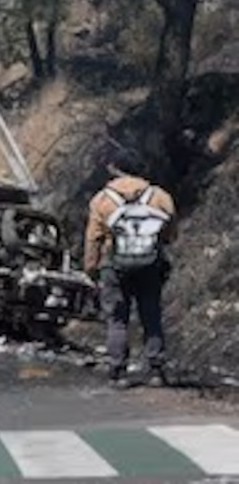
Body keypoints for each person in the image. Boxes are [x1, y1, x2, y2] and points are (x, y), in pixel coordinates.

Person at [83, 151, 177, 389]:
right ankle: (156, 369)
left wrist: (91, 267)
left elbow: (93, 237)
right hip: (150, 264)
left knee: (117, 318)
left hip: (114, 266)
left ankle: (118, 371)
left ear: (115, 169)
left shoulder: (102, 200)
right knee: (151, 315)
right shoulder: (160, 196)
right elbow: (171, 233)